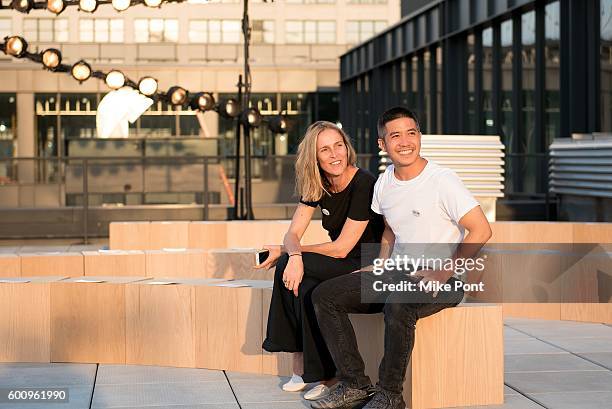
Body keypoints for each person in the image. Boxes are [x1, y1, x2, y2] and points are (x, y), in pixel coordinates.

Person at [310, 107, 493, 409]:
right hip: (399, 271)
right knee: (325, 295)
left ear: (420, 137)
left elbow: (481, 229)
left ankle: (390, 394)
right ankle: (355, 384)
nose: (405, 141)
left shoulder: (442, 180)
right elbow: (390, 231)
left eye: (412, 133)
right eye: (395, 135)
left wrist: (444, 272)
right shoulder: (384, 183)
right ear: (382, 144)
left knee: (398, 304)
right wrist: (379, 264)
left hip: (443, 279)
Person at [256, 121, 384, 401]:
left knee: (289, 266)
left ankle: (318, 373)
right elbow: (293, 232)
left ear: (347, 147)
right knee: (297, 277)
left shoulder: (364, 183)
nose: (334, 154)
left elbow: (342, 248)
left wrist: (290, 252)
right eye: (325, 149)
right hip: (339, 259)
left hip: (363, 261)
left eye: (338, 145)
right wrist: (294, 253)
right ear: (314, 157)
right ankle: (308, 368)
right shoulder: (319, 183)